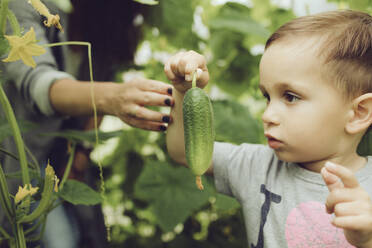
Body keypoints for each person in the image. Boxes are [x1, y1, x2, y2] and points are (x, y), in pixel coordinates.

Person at [164, 10, 372, 248]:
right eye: (266, 97)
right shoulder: (255, 166)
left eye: (291, 97)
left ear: (359, 113)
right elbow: (184, 152)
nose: (268, 115)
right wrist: (184, 92)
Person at [0, 0, 173, 247]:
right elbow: (39, 84)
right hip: (22, 157)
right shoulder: (22, 8)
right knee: (61, 241)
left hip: (66, 156)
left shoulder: (106, 28)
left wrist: (81, 154)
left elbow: (103, 76)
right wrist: (111, 97)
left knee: (88, 234)